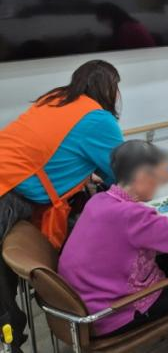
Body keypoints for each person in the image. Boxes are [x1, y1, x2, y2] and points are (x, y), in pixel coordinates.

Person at [0, 60, 124, 347]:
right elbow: (124, 171)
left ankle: (11, 337)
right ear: (110, 88)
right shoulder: (97, 118)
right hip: (7, 193)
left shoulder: (55, 99)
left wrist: (84, 172)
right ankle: (9, 341)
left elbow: (51, 149)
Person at [59, 140, 168, 336]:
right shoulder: (132, 215)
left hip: (83, 299)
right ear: (143, 176)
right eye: (157, 178)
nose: (159, 185)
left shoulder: (99, 199)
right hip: (110, 313)